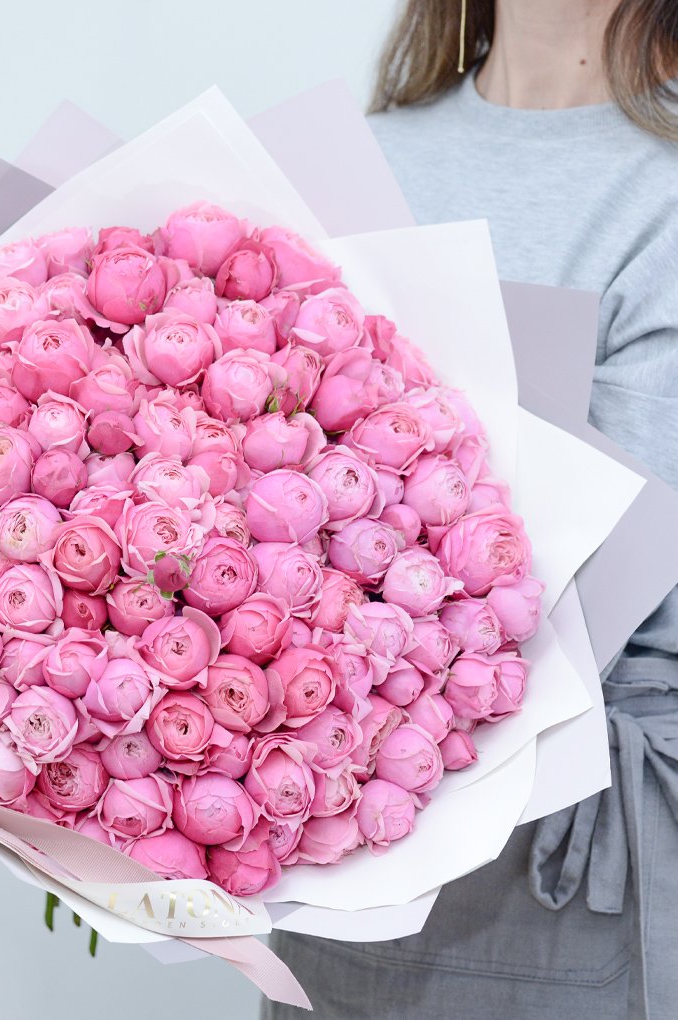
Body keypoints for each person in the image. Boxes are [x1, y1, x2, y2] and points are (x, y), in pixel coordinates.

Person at [264, 1, 678, 1017]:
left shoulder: (663, 189)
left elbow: (624, 612)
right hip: (322, 851)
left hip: (562, 879)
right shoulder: (341, 163)